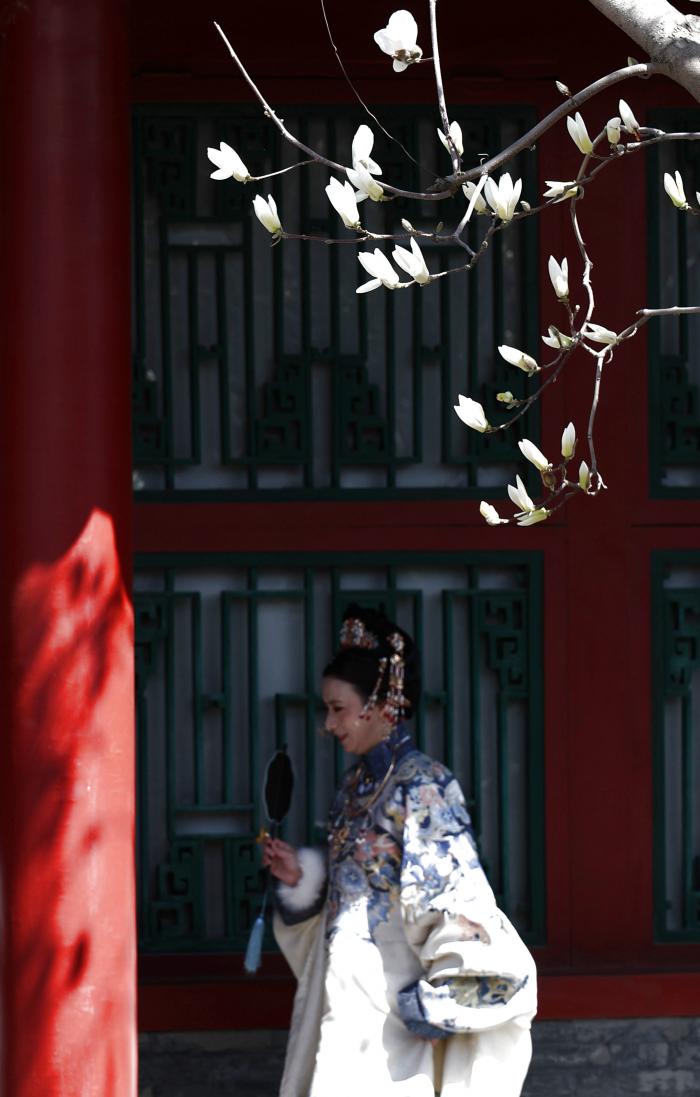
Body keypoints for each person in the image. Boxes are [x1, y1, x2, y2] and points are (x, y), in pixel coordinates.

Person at [263, 604, 536, 1097]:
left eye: (338, 708)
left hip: (392, 1002)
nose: (328, 724)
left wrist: (443, 998)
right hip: (343, 991)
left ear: (381, 703)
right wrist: (302, 877)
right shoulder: (354, 787)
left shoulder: (423, 786)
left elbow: (455, 896)